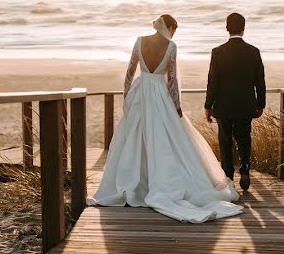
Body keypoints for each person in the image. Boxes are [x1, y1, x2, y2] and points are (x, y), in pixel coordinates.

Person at [88, 14, 243, 223]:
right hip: (160, 94)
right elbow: (172, 81)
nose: (173, 33)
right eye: (173, 29)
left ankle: (135, 183)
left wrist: (128, 98)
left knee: (134, 138)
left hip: (140, 93)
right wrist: (177, 107)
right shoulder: (171, 47)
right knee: (164, 137)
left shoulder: (139, 41)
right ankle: (161, 182)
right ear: (169, 26)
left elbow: (128, 73)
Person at [204, 12, 266, 191]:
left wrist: (208, 105)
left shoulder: (218, 52)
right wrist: (260, 103)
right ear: (244, 29)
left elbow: (212, 81)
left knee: (225, 139)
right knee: (244, 137)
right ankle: (245, 167)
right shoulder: (253, 52)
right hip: (246, 104)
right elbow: (259, 80)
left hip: (223, 104)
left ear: (227, 28)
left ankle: (228, 175)